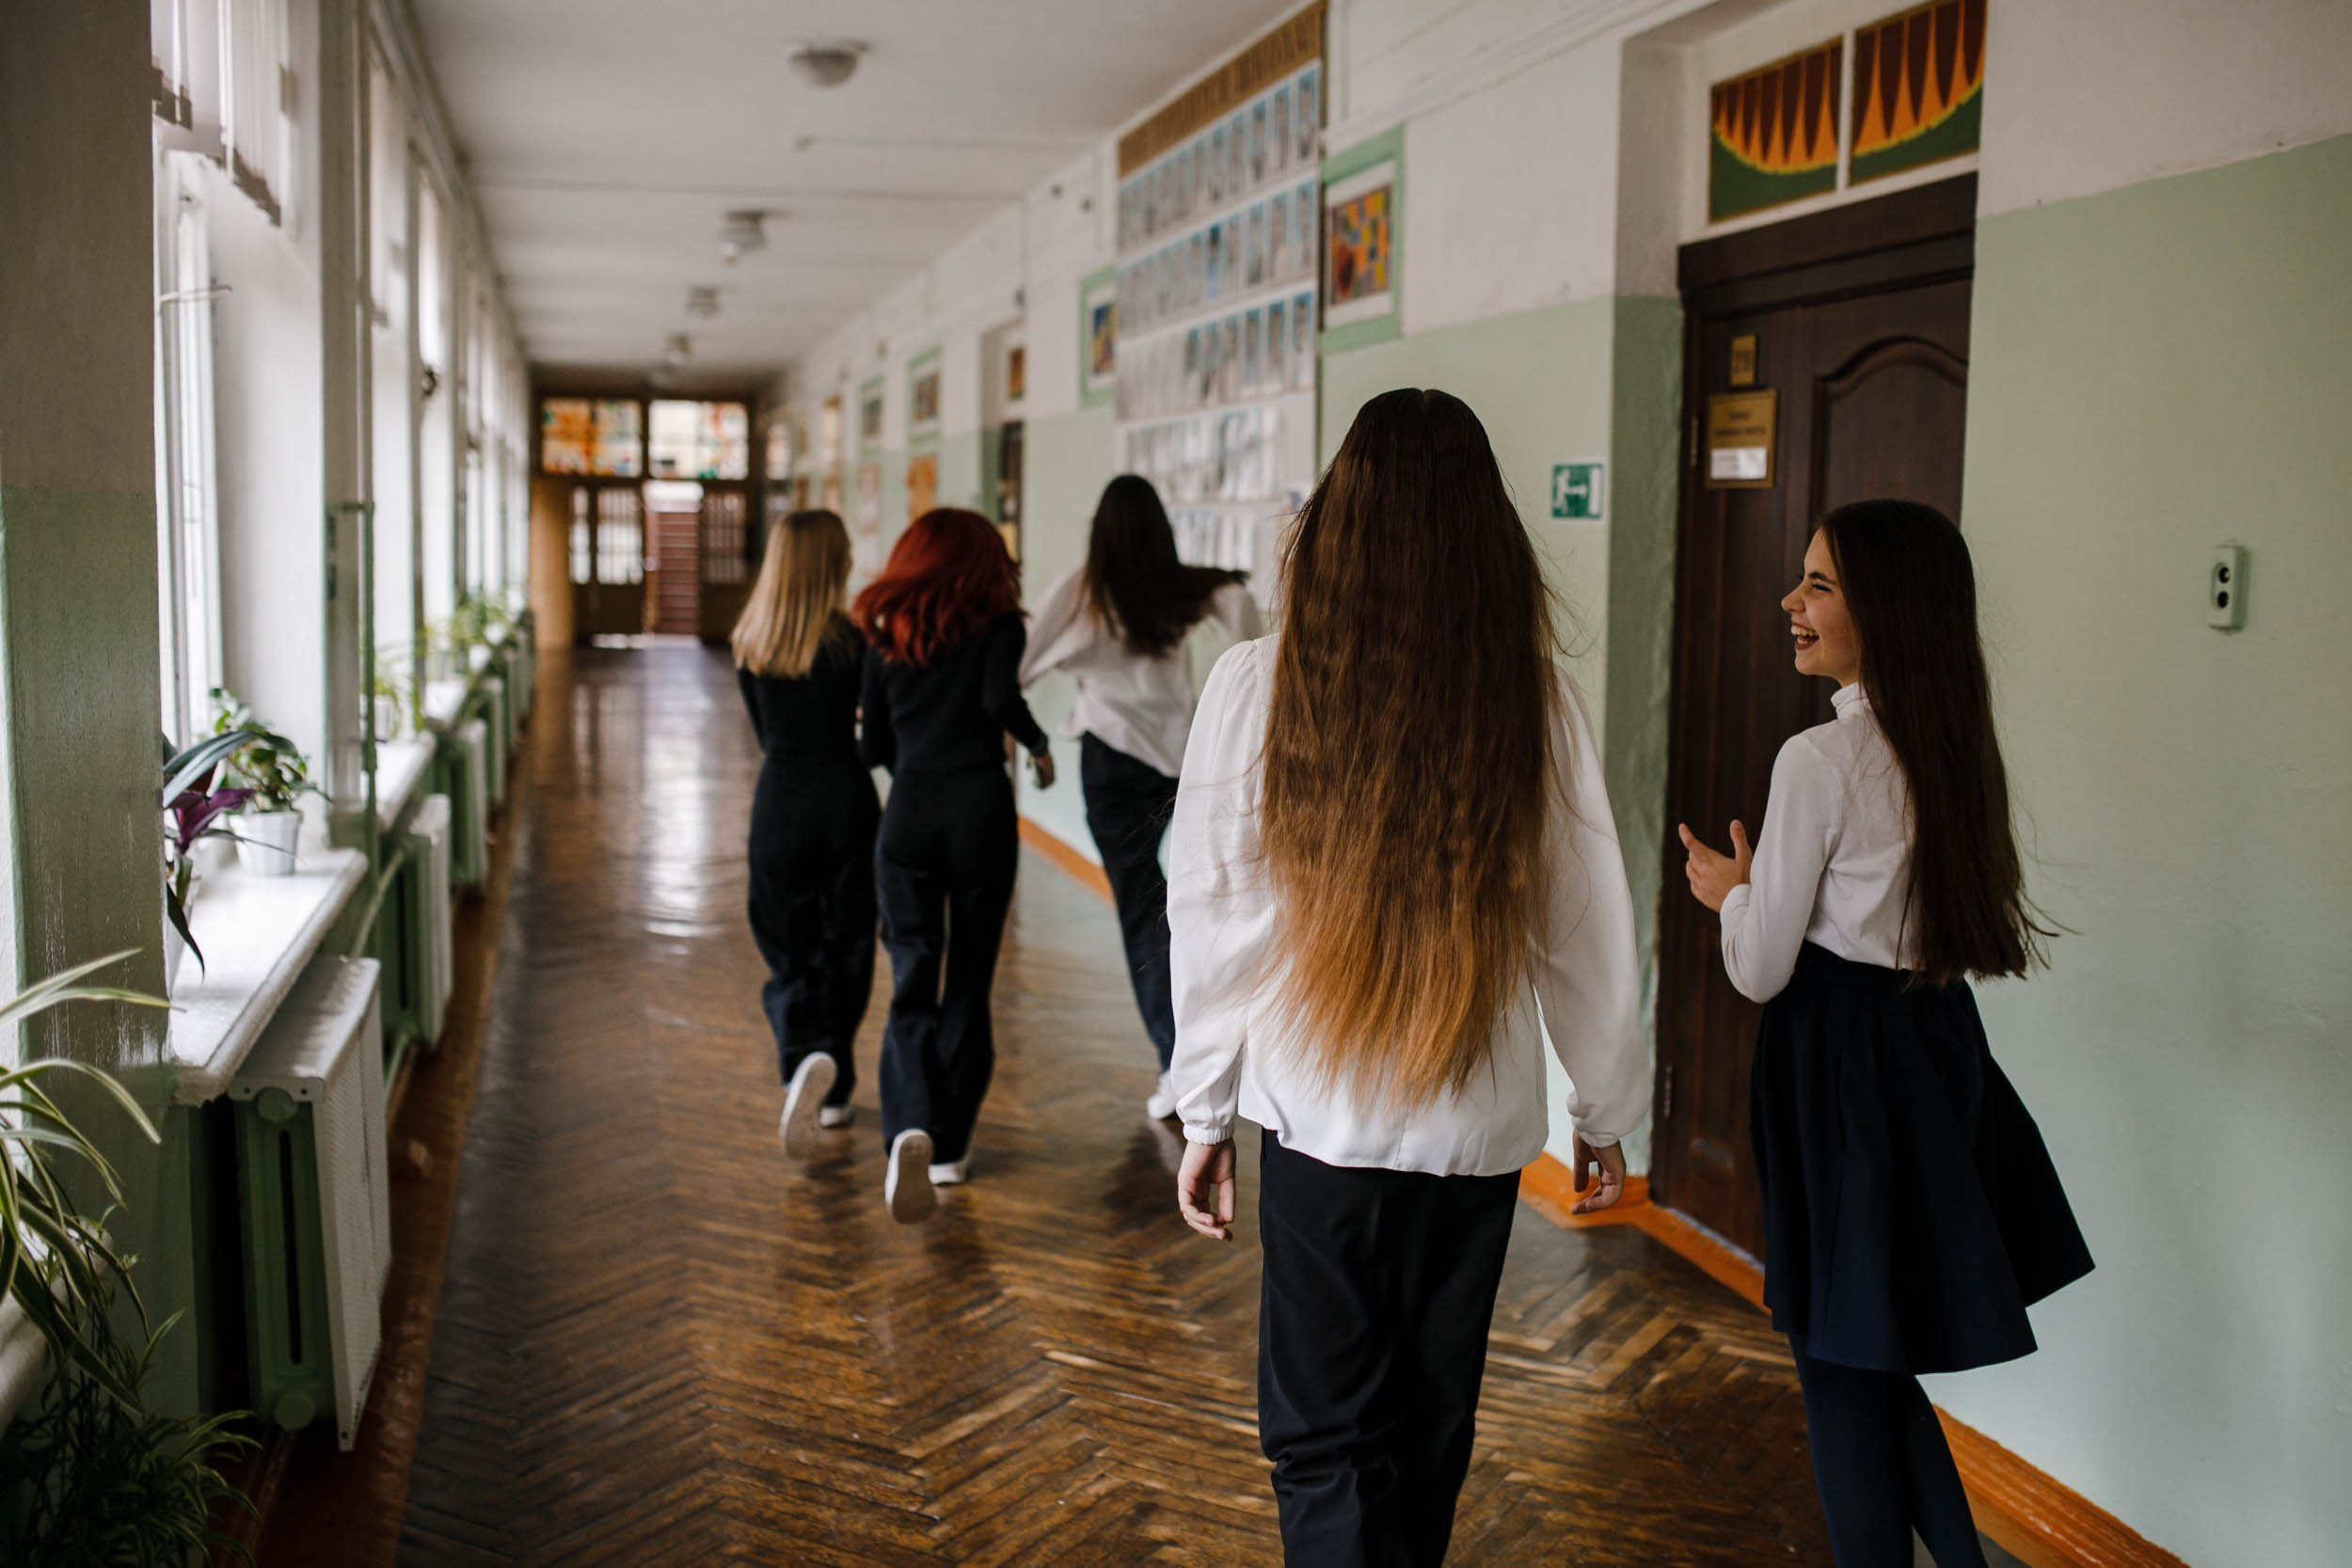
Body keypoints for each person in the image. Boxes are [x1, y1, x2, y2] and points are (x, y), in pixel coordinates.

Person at [1166, 388, 1647, 1567]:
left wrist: (1203, 1107)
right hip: (1475, 1134)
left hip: (1319, 1118)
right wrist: (1603, 1108)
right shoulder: (1536, 700)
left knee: (1327, 1438)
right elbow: (1584, 930)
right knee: (1431, 1432)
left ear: (1331, 524)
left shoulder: (1256, 684)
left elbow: (1214, 912)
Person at [1677, 499, 2093, 1568]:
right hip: (1935, 1049)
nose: (1790, 603)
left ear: (1887, 613)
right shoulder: (1954, 746)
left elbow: (1762, 967)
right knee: (1869, 1354)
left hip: (1837, 1066)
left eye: (1817, 585)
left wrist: (1733, 892)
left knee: (1839, 1360)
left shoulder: (1817, 760)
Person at [1020, 474, 1260, 1120]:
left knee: (1145, 915)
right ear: (1160, 530)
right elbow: (1245, 616)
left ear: (1100, 532)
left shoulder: (1082, 589)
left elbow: (1021, 661)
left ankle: (1179, 1067)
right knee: (1188, 907)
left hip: (1112, 768)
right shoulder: (1183, 585)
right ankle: (1201, 1061)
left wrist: (1026, 738)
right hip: (1183, 766)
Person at [855, 508, 1057, 1224]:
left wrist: (912, 756)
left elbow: (872, 743)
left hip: (908, 810)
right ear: (981, 562)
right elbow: (999, 699)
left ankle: (909, 1118)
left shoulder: (884, 636)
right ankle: (950, 1146)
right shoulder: (1000, 628)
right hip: (978, 810)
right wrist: (1036, 745)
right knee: (969, 979)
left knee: (912, 976)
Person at [731, 510, 876, 1159]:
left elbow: (766, 735)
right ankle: (837, 1081)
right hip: (846, 798)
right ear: (834, 565)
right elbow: (872, 739)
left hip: (781, 802)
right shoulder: (855, 644)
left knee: (785, 938)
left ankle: (801, 1056)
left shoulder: (752, 643)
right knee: (847, 938)